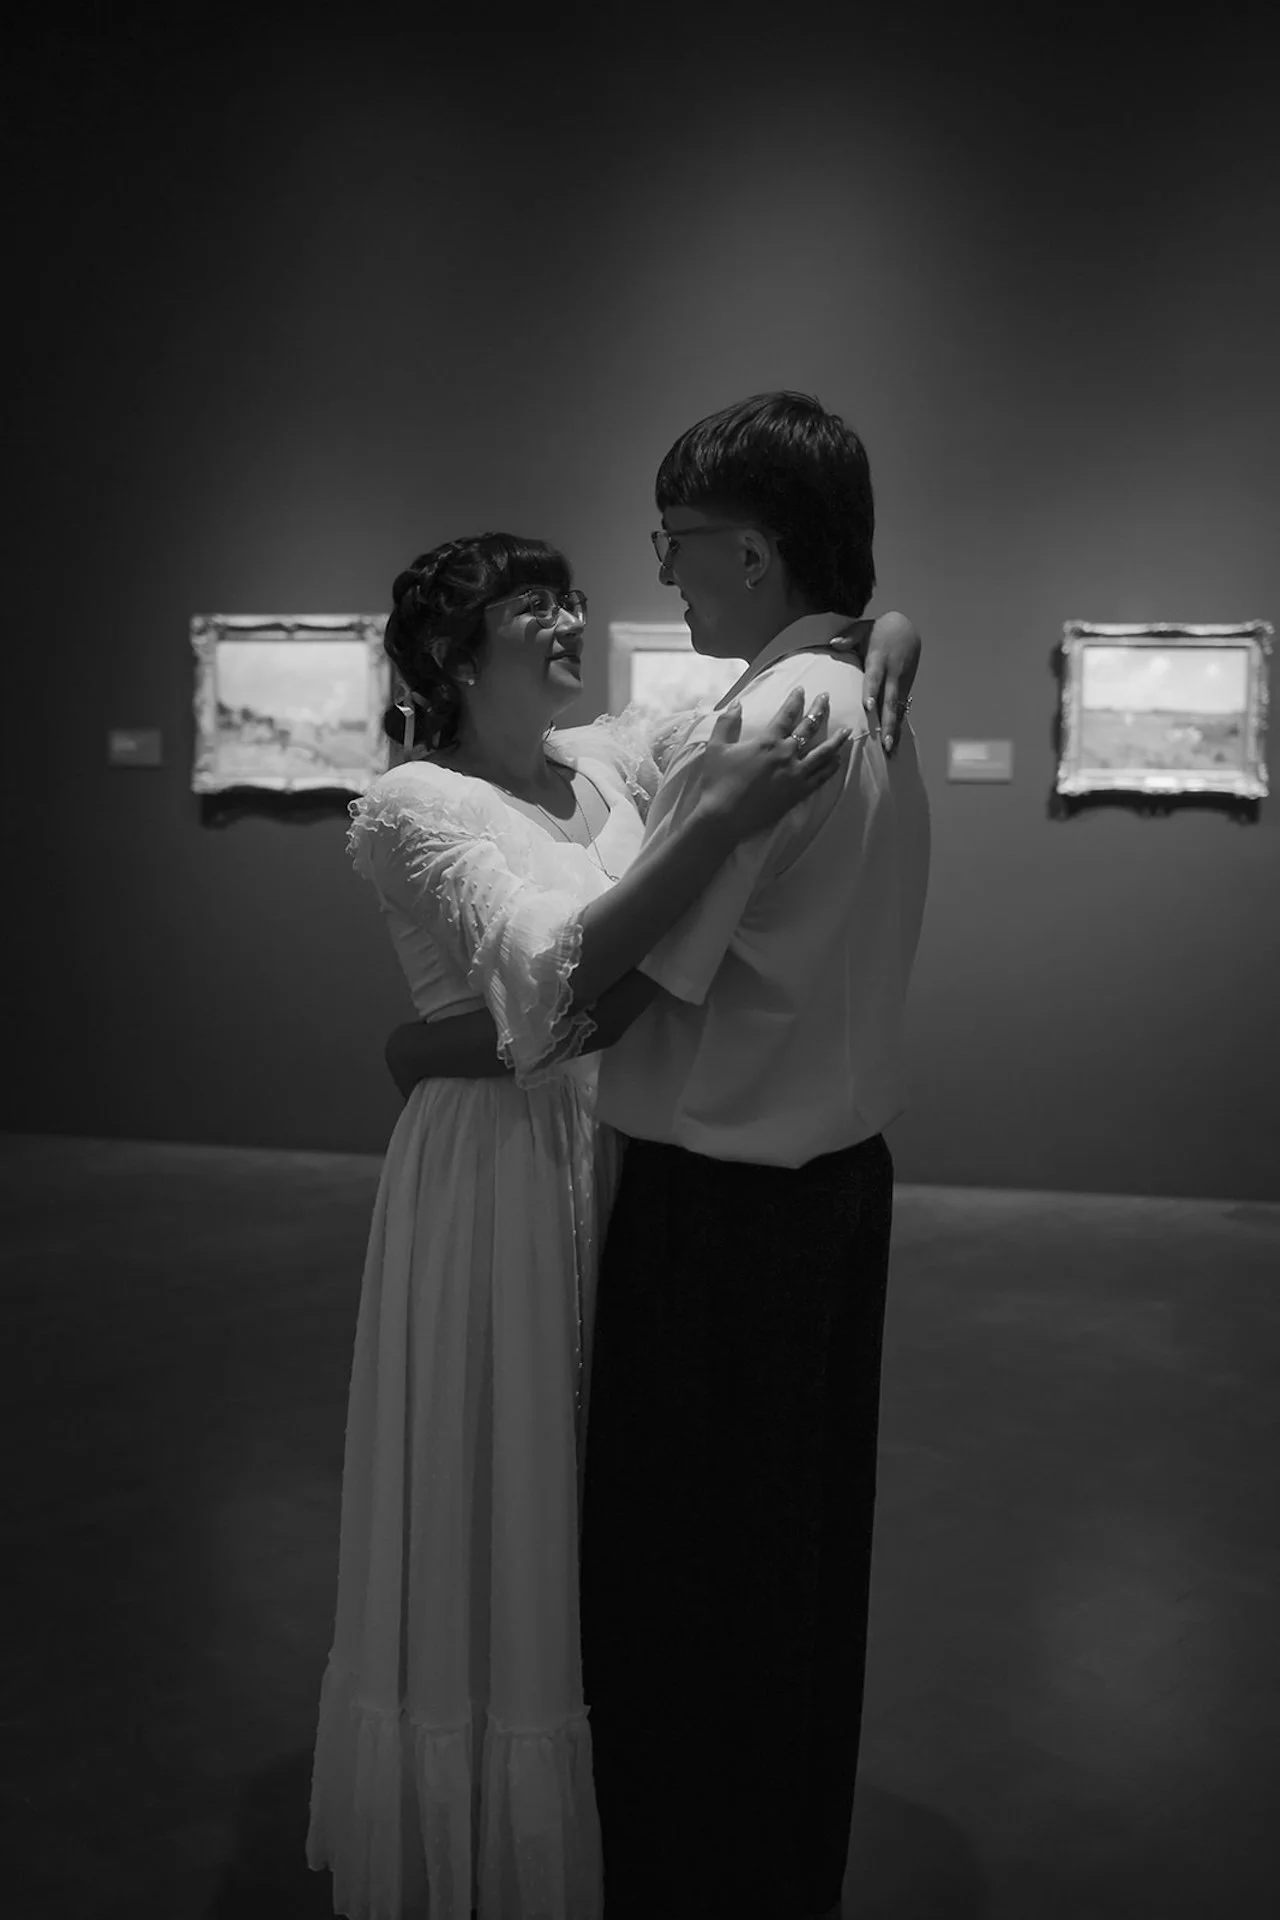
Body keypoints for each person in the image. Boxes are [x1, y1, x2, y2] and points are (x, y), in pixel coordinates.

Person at [315, 518, 923, 1920]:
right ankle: (485, 1833)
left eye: (569, 597)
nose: (572, 620)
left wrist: (883, 634)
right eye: (533, 608)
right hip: (490, 1179)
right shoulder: (415, 804)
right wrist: (717, 820)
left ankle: (610, 1800)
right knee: (503, 1472)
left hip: (602, 1144)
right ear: (455, 658)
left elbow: (771, 680)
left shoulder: (599, 760)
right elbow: (551, 983)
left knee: (603, 1493)